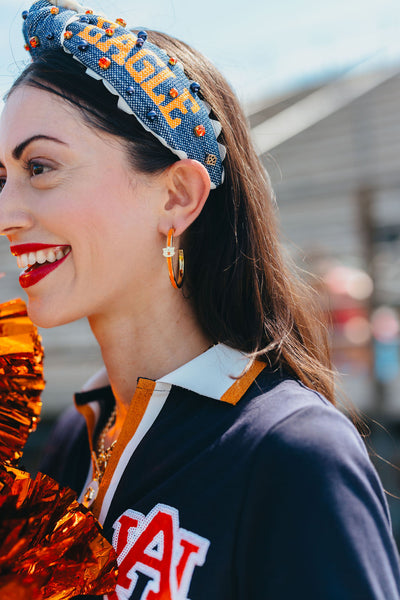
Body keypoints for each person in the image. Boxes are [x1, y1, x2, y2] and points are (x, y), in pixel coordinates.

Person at [0, 1, 399, 598]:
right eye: (2, 178)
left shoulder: (294, 455)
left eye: (41, 167)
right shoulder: (74, 442)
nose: (7, 215)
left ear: (178, 197)